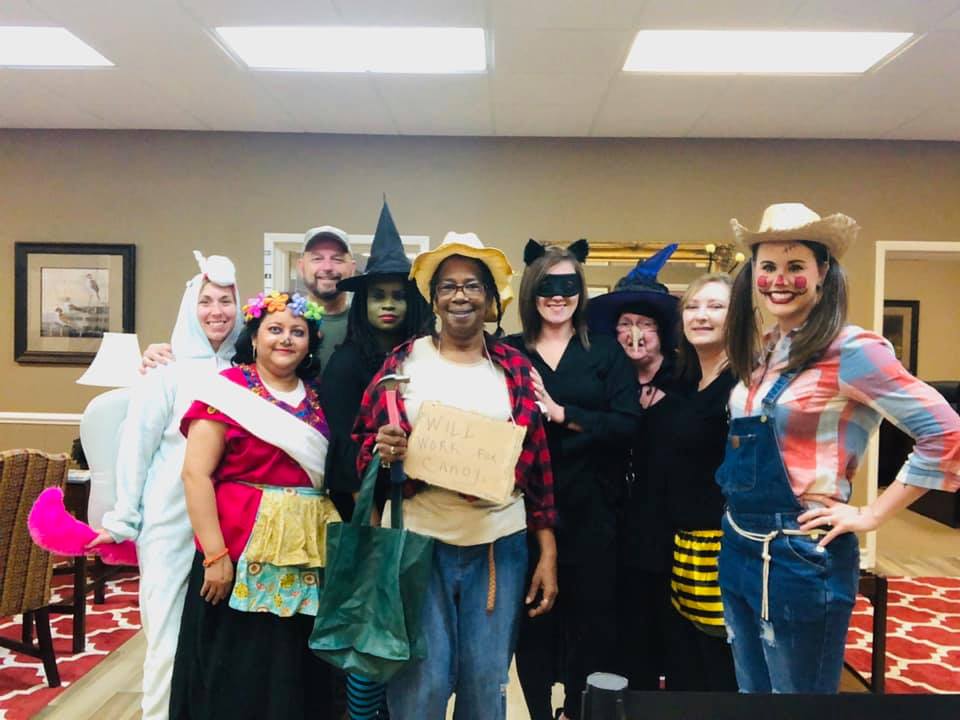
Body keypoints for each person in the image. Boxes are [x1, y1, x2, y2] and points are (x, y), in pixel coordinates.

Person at [719, 202, 960, 693]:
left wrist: (871, 515)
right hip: (739, 540)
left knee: (799, 701)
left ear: (823, 272)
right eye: (768, 266)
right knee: (752, 696)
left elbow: (946, 432)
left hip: (799, 552)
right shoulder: (765, 347)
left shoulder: (852, 350)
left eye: (795, 266)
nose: (778, 280)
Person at [353, 232, 558, 720]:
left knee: (486, 682)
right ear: (434, 299)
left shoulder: (513, 367)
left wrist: (547, 553)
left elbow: (538, 464)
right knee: (422, 682)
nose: (459, 296)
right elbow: (364, 447)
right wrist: (383, 449)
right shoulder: (402, 363)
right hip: (418, 544)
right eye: (447, 286)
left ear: (489, 298)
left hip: (498, 545)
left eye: (471, 285)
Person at [169, 289, 341, 719]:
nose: (286, 339)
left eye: (298, 332)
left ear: (311, 342)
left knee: (296, 662)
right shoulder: (227, 390)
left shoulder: (320, 397)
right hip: (238, 550)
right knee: (240, 664)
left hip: (307, 555)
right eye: (275, 329)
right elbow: (195, 475)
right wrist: (214, 555)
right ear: (255, 337)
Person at [89, 252, 243, 720]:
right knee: (167, 638)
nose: (216, 311)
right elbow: (134, 449)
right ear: (190, 308)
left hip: (230, 521)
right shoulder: (166, 373)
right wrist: (123, 518)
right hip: (169, 519)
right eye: (206, 301)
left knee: (221, 638)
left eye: (226, 301)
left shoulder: (246, 371)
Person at [508, 239, 640, 720]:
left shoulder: (605, 353)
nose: (558, 296)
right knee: (532, 620)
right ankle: (539, 712)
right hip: (524, 511)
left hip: (594, 510)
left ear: (581, 292)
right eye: (548, 285)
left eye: (568, 285)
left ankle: (576, 712)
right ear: (531, 290)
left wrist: (563, 414)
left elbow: (628, 424)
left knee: (591, 620)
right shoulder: (509, 352)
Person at [320, 200, 433, 720]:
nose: (388, 305)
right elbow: (342, 450)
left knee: (409, 627)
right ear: (362, 303)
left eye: (398, 296)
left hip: (423, 510)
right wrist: (369, 512)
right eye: (378, 296)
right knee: (370, 626)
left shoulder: (425, 358)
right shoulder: (347, 364)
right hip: (366, 512)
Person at [587, 245, 683, 691]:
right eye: (625, 324)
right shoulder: (606, 380)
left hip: (669, 526)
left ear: (662, 332)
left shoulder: (685, 380)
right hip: (613, 522)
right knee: (621, 628)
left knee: (669, 630)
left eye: (645, 324)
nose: (634, 334)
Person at [658, 272, 737, 691]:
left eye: (715, 306)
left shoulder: (743, 386)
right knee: (687, 669)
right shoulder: (685, 382)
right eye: (692, 306)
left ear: (738, 317)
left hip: (724, 549)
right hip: (684, 545)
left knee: (721, 672)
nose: (701, 315)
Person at [141, 224, 357, 375]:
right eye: (317, 259)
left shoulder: (364, 324)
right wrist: (160, 355)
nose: (327, 267)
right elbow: (216, 347)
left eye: (337, 259)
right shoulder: (271, 320)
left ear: (352, 267)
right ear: (301, 266)